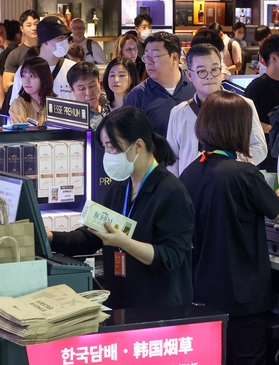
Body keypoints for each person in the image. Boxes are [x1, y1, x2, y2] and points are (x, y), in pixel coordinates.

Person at [179, 90, 279, 365]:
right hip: (243, 292)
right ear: (238, 128)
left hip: (203, 289)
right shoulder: (243, 173)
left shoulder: (191, 171)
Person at [48, 107, 194, 310]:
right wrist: (50, 237)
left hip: (158, 307)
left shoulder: (171, 192)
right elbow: (92, 236)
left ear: (138, 146)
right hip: (121, 300)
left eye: (113, 147)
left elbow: (170, 257)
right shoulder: (120, 187)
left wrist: (124, 242)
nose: (108, 154)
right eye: (105, 147)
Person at [166, 44, 267, 176]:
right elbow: (171, 159)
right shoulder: (178, 112)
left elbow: (260, 148)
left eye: (215, 69)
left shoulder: (243, 105)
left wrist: (230, 162)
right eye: (202, 71)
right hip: (190, 189)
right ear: (189, 75)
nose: (210, 76)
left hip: (231, 183)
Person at [123, 31, 195, 137]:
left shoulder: (195, 87)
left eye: (155, 56)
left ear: (174, 58)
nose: (149, 62)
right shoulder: (137, 96)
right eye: (146, 56)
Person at [244, 34, 279, 172]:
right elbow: (247, 122)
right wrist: (275, 129)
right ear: (273, 57)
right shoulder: (256, 87)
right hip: (264, 152)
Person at [9, 16, 76, 104]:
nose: (64, 42)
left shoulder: (73, 69)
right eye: (59, 38)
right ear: (45, 41)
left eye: (65, 37)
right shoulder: (25, 72)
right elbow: (16, 107)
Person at [8, 57, 55, 125]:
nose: (26, 81)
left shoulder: (54, 104)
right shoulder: (19, 103)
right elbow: (21, 133)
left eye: (32, 76)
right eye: (23, 76)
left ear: (44, 78)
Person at [3, 10, 40, 95]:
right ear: (22, 28)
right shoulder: (15, 54)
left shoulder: (47, 50)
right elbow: (6, 84)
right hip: (22, 101)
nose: (34, 28)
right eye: (29, 25)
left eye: (36, 24)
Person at [67, 62, 110, 129]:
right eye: (82, 88)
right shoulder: (73, 121)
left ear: (99, 82)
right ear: (72, 90)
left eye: (92, 86)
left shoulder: (111, 104)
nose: (88, 93)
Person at [0, 19, 23, 107]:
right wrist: (3, 105)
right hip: (11, 101)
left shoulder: (7, 51)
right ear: (18, 35)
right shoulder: (10, 52)